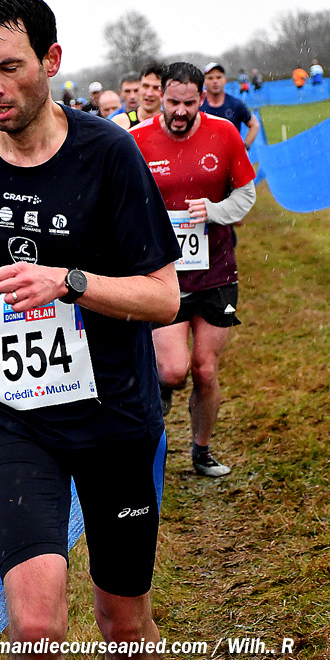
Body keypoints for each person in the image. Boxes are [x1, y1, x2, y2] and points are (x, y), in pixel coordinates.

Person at [0, 0, 181, 660]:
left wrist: (70, 282)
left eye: (9, 67)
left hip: (115, 416)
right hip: (17, 418)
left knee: (123, 623)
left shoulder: (108, 154)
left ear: (51, 60)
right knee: (32, 629)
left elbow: (163, 296)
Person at [131, 62, 256, 479]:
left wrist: (215, 211)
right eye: (173, 102)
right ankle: (161, 388)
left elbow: (246, 194)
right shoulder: (137, 140)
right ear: (160, 97)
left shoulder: (224, 133)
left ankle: (201, 451)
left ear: (202, 98)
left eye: (189, 103)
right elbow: (120, 201)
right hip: (163, 276)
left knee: (205, 368)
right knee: (173, 369)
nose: (180, 112)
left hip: (216, 270)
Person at [201, 63, 260, 150]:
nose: (215, 81)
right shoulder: (197, 106)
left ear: (225, 80)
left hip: (230, 156)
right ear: (204, 82)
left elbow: (254, 124)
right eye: (210, 78)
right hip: (205, 155)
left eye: (219, 77)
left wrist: (245, 147)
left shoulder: (236, 104)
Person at [113, 64, 163, 130]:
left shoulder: (170, 125)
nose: (149, 93)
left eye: (156, 88)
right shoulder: (120, 123)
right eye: (145, 86)